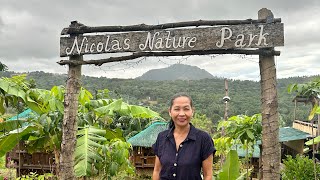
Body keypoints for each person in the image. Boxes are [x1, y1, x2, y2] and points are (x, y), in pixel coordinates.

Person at [152, 92, 216, 180]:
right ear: (170, 112)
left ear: (192, 111)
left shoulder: (203, 139)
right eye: (177, 109)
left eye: (186, 109)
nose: (181, 114)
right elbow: (157, 170)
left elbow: (208, 175)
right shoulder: (162, 137)